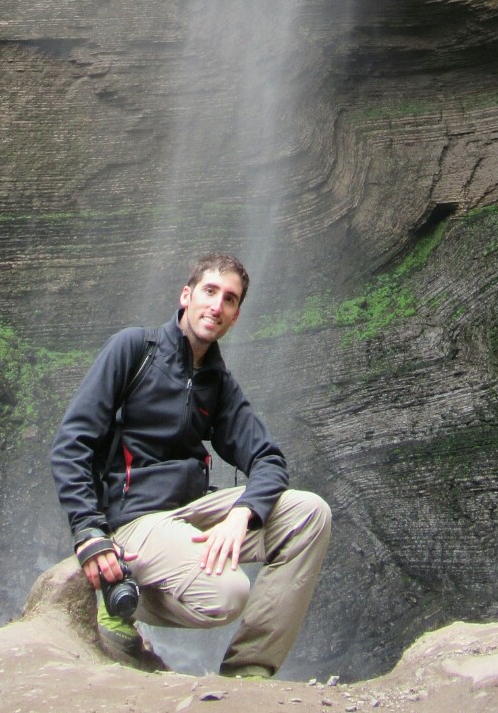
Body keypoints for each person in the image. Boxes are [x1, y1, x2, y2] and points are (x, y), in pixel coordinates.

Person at [50, 253, 332, 677]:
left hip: (189, 517)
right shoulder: (134, 349)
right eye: (210, 291)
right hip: (134, 521)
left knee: (310, 513)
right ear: (187, 295)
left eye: (230, 299)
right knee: (229, 592)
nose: (217, 306)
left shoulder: (218, 383)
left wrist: (242, 514)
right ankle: (116, 593)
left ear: (235, 316)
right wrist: (89, 531)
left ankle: (248, 670)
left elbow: (268, 459)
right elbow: (72, 443)